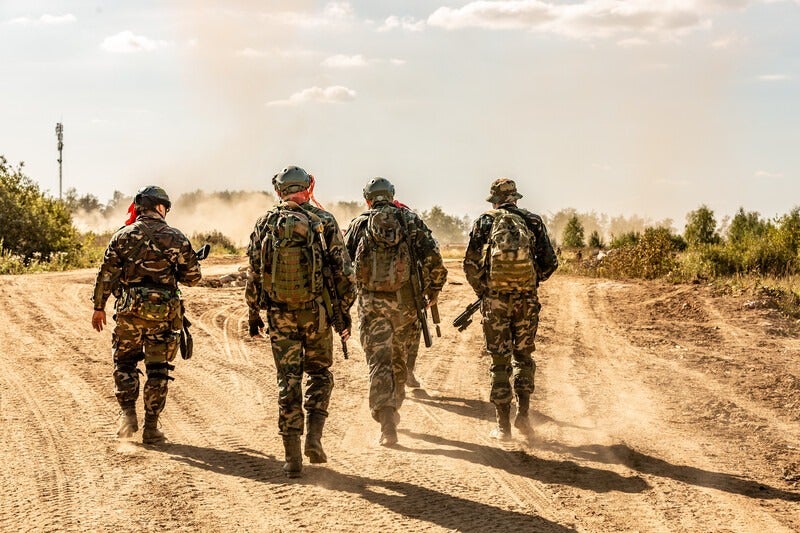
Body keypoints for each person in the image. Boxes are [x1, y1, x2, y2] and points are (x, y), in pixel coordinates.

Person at [246, 165, 355, 478]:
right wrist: (342, 313)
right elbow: (344, 273)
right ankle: (315, 439)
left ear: (279, 190)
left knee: (288, 380)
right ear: (308, 187)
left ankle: (292, 458)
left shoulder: (265, 221)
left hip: (279, 316)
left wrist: (254, 310)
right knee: (320, 374)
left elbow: (254, 271)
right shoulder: (324, 220)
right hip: (317, 315)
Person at [91, 186, 202, 444]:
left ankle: (128, 417)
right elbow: (193, 277)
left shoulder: (122, 237)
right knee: (158, 369)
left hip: (129, 313)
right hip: (162, 316)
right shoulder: (176, 238)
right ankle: (152, 428)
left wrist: (99, 307)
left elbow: (106, 274)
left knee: (125, 363)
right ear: (160, 207)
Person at [344, 177, 447, 446]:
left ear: (367, 198)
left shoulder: (359, 225)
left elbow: (342, 266)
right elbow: (434, 260)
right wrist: (432, 292)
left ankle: (387, 422)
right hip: (406, 306)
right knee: (400, 361)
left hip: (372, 307)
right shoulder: (410, 221)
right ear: (391, 195)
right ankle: (393, 409)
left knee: (379, 361)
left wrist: (346, 302)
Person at [463, 177, 558, 441]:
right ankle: (524, 417)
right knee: (523, 357)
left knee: (500, 361)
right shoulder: (533, 221)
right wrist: (531, 281)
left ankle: (502, 426)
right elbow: (550, 262)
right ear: (516, 198)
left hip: (495, 302)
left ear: (494, 200)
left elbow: (470, 264)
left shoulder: (484, 221)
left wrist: (484, 290)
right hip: (526, 301)